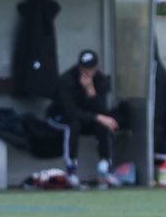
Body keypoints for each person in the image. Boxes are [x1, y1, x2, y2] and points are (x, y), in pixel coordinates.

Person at [46, 49, 132, 189]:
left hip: (85, 118)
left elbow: (102, 111)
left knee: (104, 124)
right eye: (84, 68)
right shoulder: (67, 80)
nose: (87, 72)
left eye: (91, 68)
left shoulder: (100, 80)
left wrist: (91, 90)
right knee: (73, 125)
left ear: (96, 67)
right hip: (59, 117)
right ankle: (71, 171)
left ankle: (105, 167)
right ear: (79, 66)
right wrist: (98, 117)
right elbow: (71, 113)